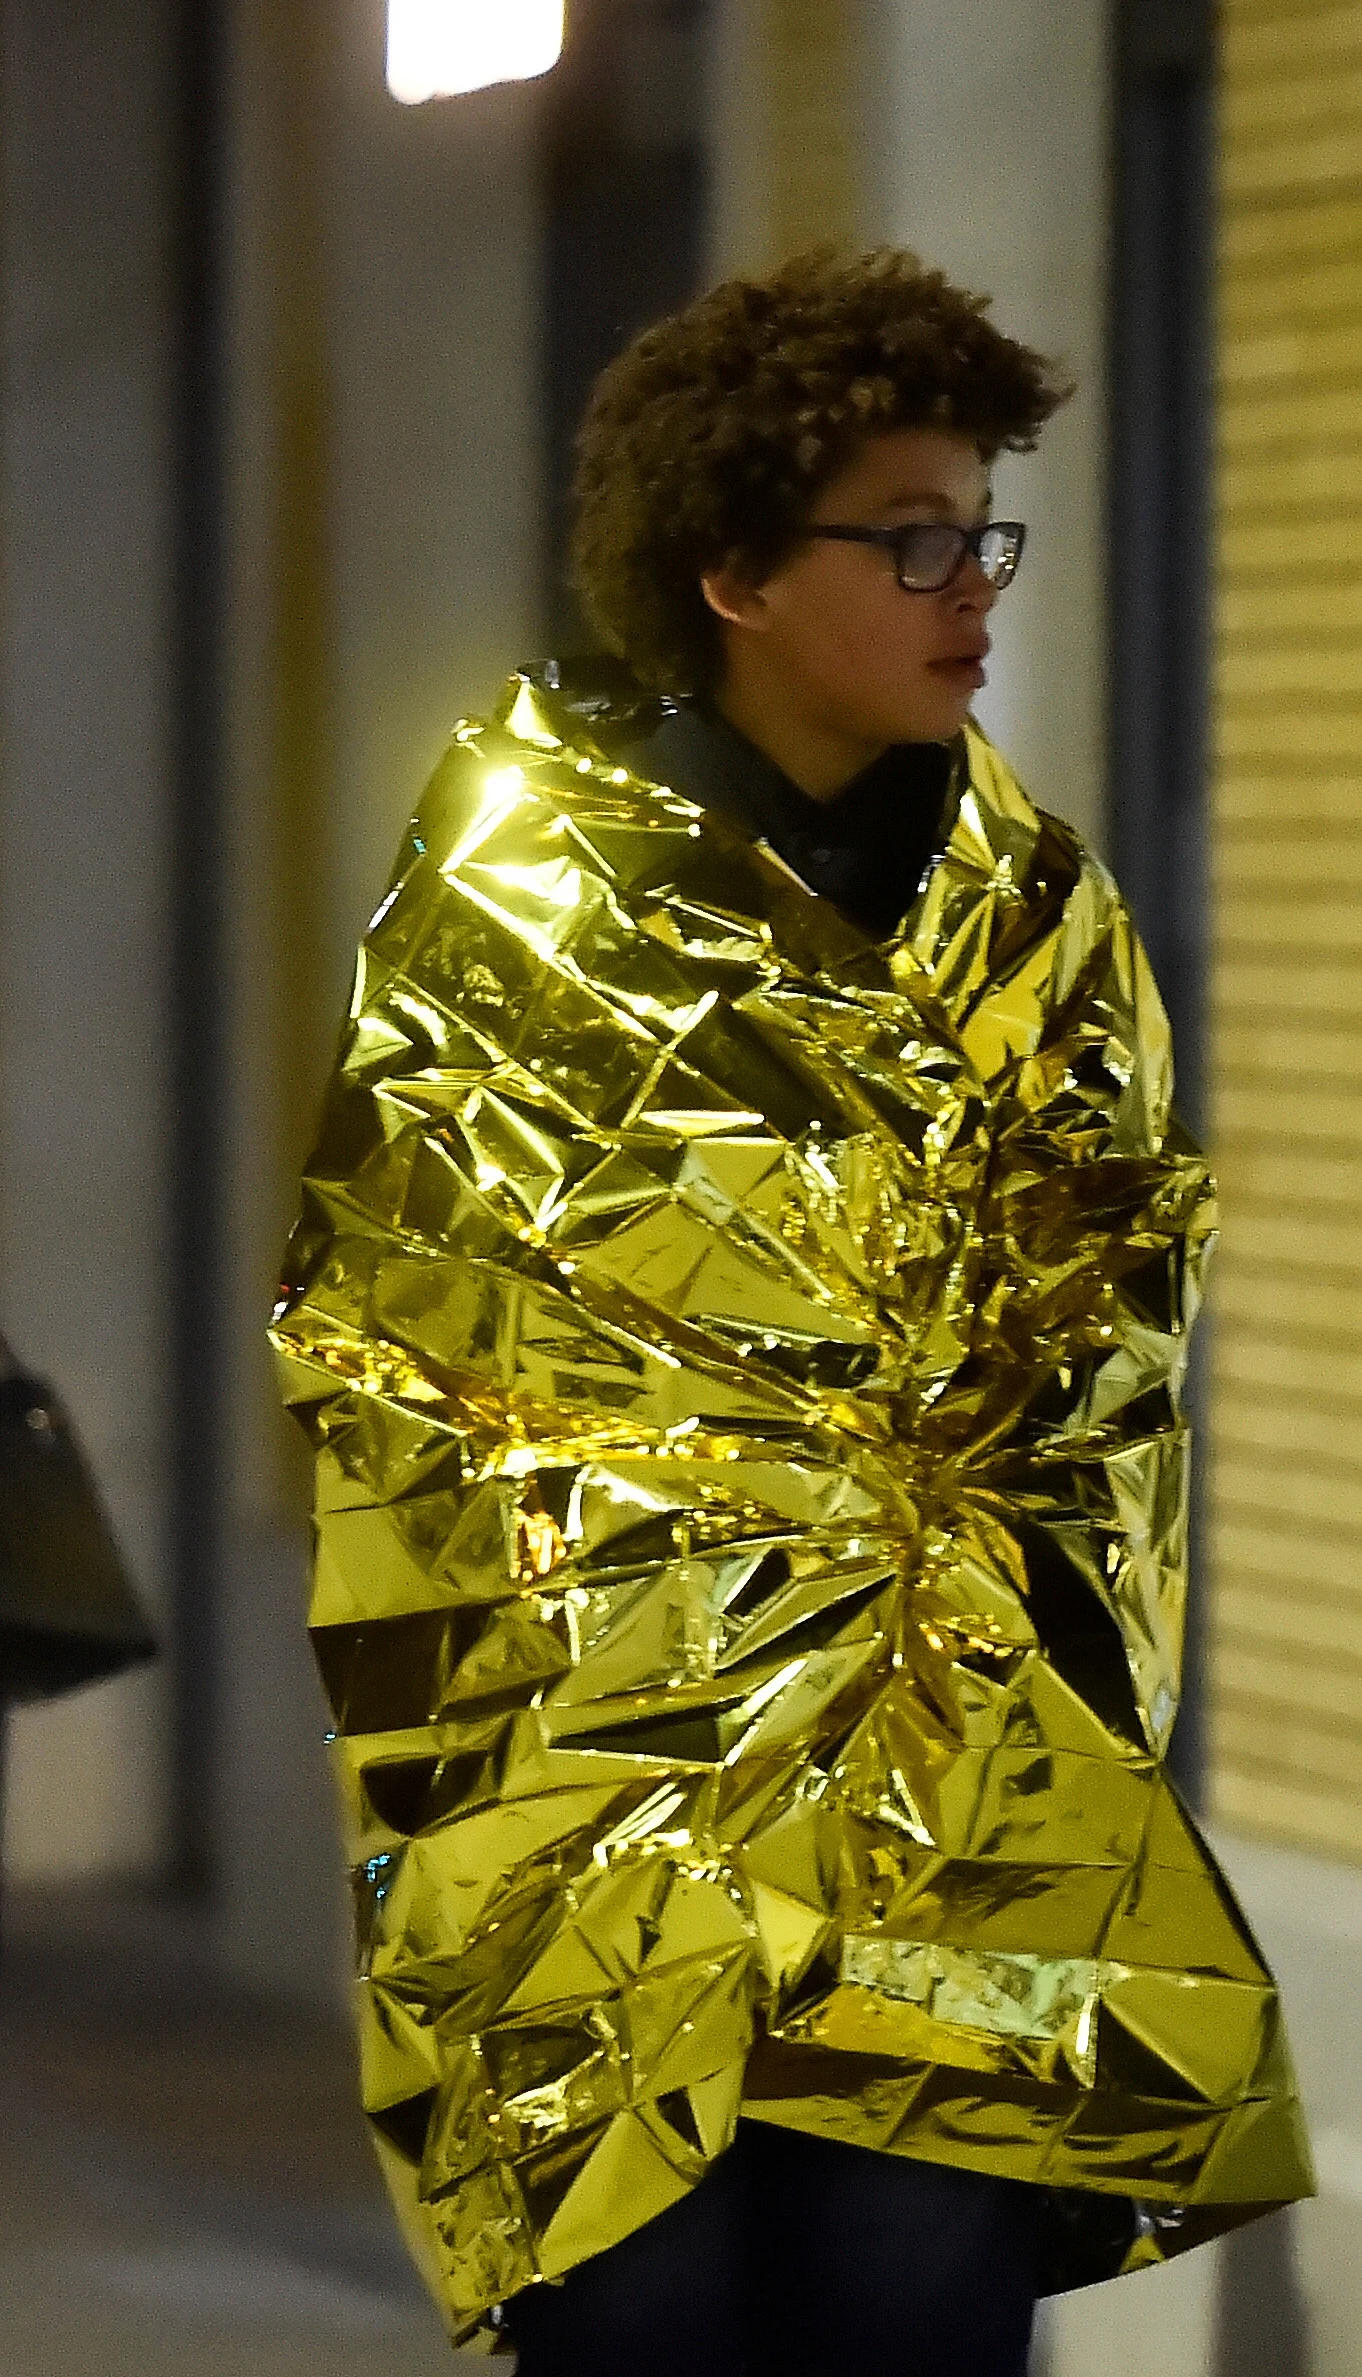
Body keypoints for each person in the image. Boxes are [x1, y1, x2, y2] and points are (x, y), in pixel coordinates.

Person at [272, 246, 1313, 2374]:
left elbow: (1112, 1342)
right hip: (593, 1785)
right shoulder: (517, 890)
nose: (969, 586)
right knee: (646, 2318)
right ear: (736, 572)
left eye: (981, 532)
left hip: (957, 1765)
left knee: (914, 2309)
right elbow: (391, 1350)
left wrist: (1046, 1670)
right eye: (911, 539)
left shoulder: (1036, 910)